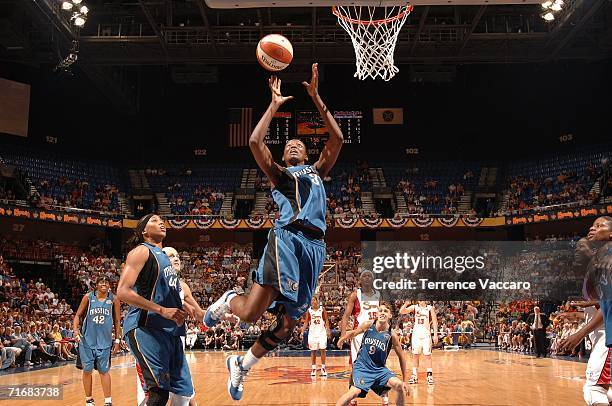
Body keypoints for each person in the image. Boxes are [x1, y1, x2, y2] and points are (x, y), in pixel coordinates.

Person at [203, 63, 343, 401]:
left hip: (315, 248)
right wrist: (274, 104)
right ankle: (227, 300)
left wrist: (316, 96)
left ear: (307, 153)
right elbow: (254, 141)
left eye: (299, 143)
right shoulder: (281, 175)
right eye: (289, 144)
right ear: (284, 155)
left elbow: (336, 138)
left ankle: (243, 364)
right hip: (287, 239)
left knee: (279, 324)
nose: (294, 145)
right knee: (254, 313)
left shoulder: (317, 170)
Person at [117, 214, 194, 406]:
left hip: (167, 331)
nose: (161, 222)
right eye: (154, 220)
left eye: (162, 220)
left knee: (183, 395)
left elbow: (169, 296)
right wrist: (161, 310)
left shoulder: (166, 261)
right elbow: (122, 292)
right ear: (143, 231)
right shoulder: (142, 251)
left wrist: (201, 312)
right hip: (144, 326)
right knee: (158, 393)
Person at [135, 245, 203, 406]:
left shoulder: (182, 286)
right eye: (171, 255)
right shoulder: (149, 279)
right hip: (152, 340)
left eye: (177, 255)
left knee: (184, 395)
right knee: (152, 396)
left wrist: (223, 312)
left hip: (175, 341)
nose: (176, 258)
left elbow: (199, 313)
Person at [559, 217, 612, 406]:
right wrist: (582, 312)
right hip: (602, 333)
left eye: (599, 226)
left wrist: (580, 333)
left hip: (607, 334)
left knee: (594, 388)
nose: (592, 228)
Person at [335, 302, 409, 406]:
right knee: (353, 393)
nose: (382, 313)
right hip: (362, 367)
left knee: (399, 386)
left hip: (379, 370)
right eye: (381, 310)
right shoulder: (368, 325)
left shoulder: (392, 335)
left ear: (390, 315)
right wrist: (342, 338)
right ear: (377, 314)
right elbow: (354, 332)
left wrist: (405, 380)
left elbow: (401, 357)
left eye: (386, 311)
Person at [73, 277, 122, 406]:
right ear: (96, 285)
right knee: (87, 370)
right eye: (101, 282)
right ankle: (89, 399)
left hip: (104, 342)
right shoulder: (88, 297)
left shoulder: (114, 299)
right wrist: (75, 331)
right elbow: (77, 315)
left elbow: (117, 321)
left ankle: (108, 401)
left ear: (110, 286)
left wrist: (117, 340)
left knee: (104, 371)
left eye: (106, 282)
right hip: (87, 341)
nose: (104, 284)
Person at [340, 270, 385, 405]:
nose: (366, 278)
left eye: (369, 276)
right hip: (359, 336)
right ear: (360, 280)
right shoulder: (355, 295)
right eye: (364, 276)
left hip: (376, 335)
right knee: (355, 367)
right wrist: (343, 334)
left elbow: (384, 314)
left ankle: (385, 397)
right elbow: (346, 316)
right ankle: (352, 398)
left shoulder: (378, 295)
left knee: (381, 366)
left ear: (373, 280)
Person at [399, 301, 438, 385]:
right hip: (416, 334)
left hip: (426, 334)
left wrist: (435, 335)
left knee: (428, 356)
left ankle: (429, 376)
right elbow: (401, 311)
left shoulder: (430, 308)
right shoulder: (414, 307)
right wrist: (406, 304)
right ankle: (414, 376)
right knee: (415, 355)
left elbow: (435, 322)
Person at [304, 296, 330, 377]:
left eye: (314, 300)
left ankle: (323, 367)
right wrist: (302, 330)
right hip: (312, 333)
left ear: (317, 301)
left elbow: (326, 320)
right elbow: (306, 322)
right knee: (313, 351)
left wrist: (328, 329)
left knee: (323, 349)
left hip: (321, 332)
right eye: (311, 300)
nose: (312, 301)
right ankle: (313, 368)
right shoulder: (309, 310)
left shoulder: (322, 309)